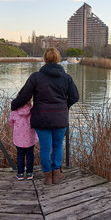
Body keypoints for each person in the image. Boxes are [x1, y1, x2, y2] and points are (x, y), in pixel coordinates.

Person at [11, 47, 79, 185]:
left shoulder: (36, 77)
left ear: (44, 59)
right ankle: (57, 175)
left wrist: (14, 105)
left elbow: (24, 96)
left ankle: (48, 177)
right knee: (58, 145)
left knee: (45, 147)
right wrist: (64, 107)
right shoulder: (66, 78)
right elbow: (75, 97)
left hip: (41, 118)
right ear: (58, 59)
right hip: (60, 119)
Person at [8, 100, 38, 180]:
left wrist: (15, 128)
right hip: (30, 137)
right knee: (30, 155)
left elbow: (10, 122)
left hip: (19, 137)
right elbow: (36, 120)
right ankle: (29, 173)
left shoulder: (15, 111)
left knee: (20, 155)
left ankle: (20, 173)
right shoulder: (32, 110)